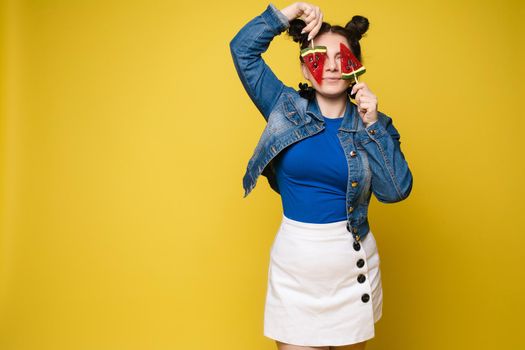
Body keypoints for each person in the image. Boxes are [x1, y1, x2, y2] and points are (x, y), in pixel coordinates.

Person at [229, 2, 413, 350]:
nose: (330, 67)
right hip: (295, 268)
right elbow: (242, 50)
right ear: (303, 65)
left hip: (351, 267)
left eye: (341, 58)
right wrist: (289, 13)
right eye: (318, 57)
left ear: (356, 67)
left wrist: (372, 126)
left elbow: (396, 191)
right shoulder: (283, 106)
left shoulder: (376, 124)